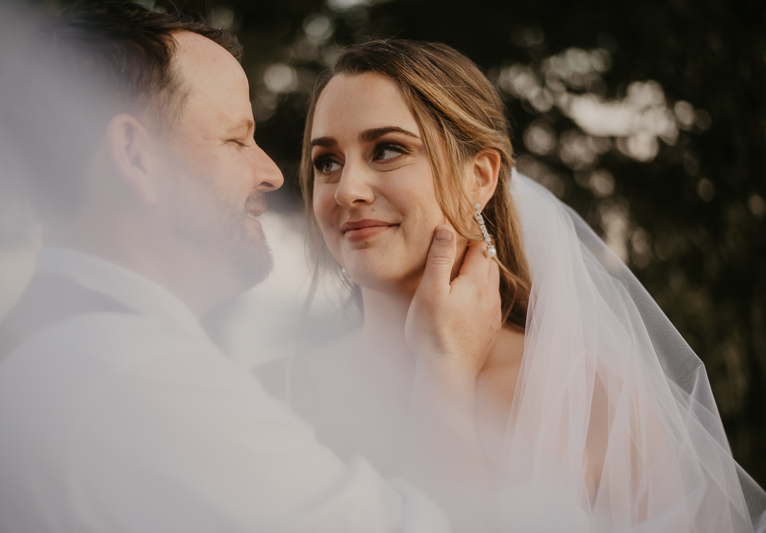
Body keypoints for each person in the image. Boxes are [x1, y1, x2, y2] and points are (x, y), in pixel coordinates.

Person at [0, 5, 502, 532]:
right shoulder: (138, 377)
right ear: (134, 155)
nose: (271, 172)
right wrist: (446, 367)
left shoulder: (58, 346)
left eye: (387, 150)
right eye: (237, 139)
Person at [257, 39, 766, 532]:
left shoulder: (593, 397)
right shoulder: (267, 395)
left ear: (479, 177)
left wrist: (445, 364)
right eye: (327, 161)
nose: (347, 190)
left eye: (388, 150)